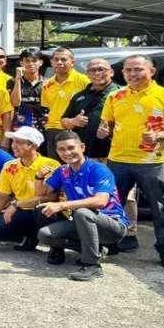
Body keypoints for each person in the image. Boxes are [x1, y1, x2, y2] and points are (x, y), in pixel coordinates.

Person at [98, 55, 164, 269]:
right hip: (118, 160)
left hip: (152, 162)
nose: (132, 74)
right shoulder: (115, 96)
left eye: (138, 69)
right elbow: (106, 127)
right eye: (128, 70)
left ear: (152, 71)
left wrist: (159, 136)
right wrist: (103, 131)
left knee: (160, 208)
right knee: (111, 206)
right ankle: (109, 244)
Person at [37, 131, 129, 281]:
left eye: (71, 148)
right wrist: (39, 177)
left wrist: (61, 205)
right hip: (82, 223)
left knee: (82, 212)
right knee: (44, 233)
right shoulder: (63, 171)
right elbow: (43, 193)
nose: (67, 153)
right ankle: (95, 249)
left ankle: (92, 265)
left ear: (82, 147)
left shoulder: (98, 169)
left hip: (112, 226)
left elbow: (100, 201)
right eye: (61, 149)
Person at [60, 58, 130, 246]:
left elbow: (132, 125)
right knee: (85, 195)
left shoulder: (121, 94)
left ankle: (126, 236)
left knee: (122, 197)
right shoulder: (80, 95)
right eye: (92, 70)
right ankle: (91, 235)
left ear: (111, 72)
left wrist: (110, 133)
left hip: (111, 156)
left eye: (101, 69)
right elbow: (63, 121)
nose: (97, 73)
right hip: (81, 158)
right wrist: (73, 122)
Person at [0, 126, 60, 250]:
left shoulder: (51, 165)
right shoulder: (9, 166)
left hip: (42, 210)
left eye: (19, 142)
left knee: (42, 210)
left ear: (34, 146)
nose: (14, 145)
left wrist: (16, 205)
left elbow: (52, 197)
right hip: (21, 210)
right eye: (13, 141)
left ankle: (55, 247)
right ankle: (27, 234)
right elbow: (1, 196)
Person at [41, 47, 90, 153]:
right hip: (52, 130)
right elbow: (46, 108)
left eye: (63, 59)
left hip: (75, 130)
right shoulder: (47, 84)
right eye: (56, 59)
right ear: (51, 62)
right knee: (56, 167)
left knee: (75, 166)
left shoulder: (84, 81)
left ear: (72, 62)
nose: (59, 62)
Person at [9, 48, 46, 133]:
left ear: (40, 62)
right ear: (21, 63)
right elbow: (15, 103)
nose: (31, 64)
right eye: (27, 61)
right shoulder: (13, 82)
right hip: (19, 127)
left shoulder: (47, 82)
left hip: (41, 127)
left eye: (34, 61)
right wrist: (18, 79)